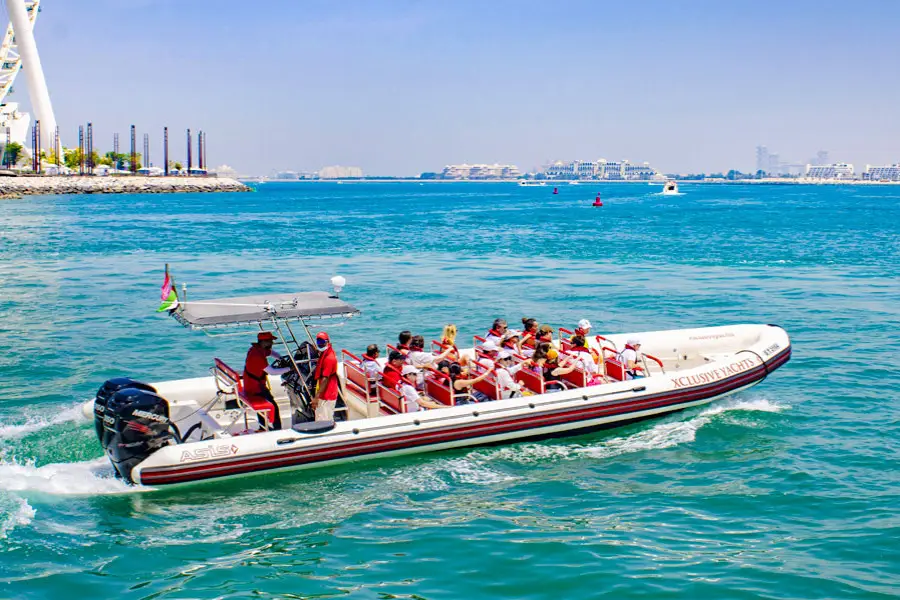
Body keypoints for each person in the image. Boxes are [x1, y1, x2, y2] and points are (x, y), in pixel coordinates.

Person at [242, 331, 291, 428]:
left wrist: (281, 358)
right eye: (270, 341)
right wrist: (289, 369)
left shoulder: (257, 349)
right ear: (263, 342)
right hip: (255, 389)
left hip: (251, 385)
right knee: (273, 407)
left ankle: (263, 426)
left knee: (269, 404)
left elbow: (271, 353)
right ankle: (277, 429)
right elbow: (272, 372)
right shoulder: (257, 356)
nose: (272, 343)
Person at [312, 331, 340, 421]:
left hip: (327, 394)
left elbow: (325, 379)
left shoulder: (329, 358)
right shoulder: (326, 352)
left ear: (327, 342)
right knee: (320, 417)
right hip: (324, 392)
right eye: (318, 342)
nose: (320, 345)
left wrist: (316, 397)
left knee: (324, 419)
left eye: (322, 342)